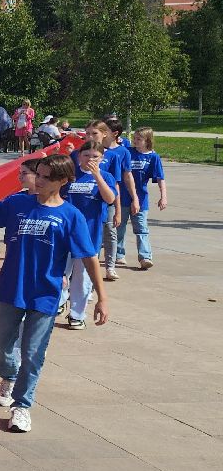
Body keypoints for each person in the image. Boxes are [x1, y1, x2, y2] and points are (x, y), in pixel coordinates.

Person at [0, 155, 107, 433]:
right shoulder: (17, 204)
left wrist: (102, 297)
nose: (38, 180)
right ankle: (8, 376)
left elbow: (88, 257)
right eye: (37, 174)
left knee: (32, 352)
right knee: (1, 342)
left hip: (45, 294)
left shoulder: (70, 215)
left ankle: (22, 406)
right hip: (10, 288)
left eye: (45, 177)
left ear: (62, 181)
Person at [61, 137, 117, 330]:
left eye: (95, 156)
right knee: (60, 271)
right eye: (86, 155)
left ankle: (77, 314)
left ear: (102, 158)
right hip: (65, 233)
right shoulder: (69, 176)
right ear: (78, 157)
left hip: (89, 234)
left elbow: (109, 198)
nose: (90, 159)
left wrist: (97, 176)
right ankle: (59, 300)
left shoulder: (106, 177)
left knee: (82, 276)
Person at [99, 119, 140, 279]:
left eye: (105, 130)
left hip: (113, 198)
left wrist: (134, 198)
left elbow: (127, 176)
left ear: (114, 133)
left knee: (111, 231)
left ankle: (111, 266)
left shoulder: (122, 152)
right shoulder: (93, 149)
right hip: (93, 199)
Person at [122, 127, 167, 270]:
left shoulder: (153, 157)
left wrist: (163, 196)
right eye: (134, 138)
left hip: (141, 198)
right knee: (118, 227)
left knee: (141, 229)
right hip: (122, 197)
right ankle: (118, 254)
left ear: (147, 140)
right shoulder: (128, 152)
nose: (135, 141)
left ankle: (145, 257)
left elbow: (160, 178)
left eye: (138, 139)